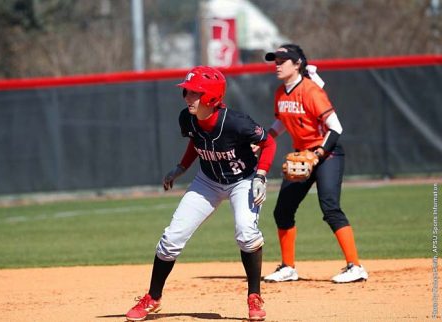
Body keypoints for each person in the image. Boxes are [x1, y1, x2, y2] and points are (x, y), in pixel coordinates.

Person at [125, 66, 277, 321]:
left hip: (243, 181)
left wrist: (261, 175)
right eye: (187, 91)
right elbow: (196, 143)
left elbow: (269, 143)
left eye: (194, 93)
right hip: (207, 181)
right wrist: (181, 167)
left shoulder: (236, 122)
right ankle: (153, 297)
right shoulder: (188, 118)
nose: (187, 97)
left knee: (246, 233)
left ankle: (254, 295)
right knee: (171, 239)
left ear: (212, 97)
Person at [262, 44, 368, 284]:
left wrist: (318, 154)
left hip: (327, 154)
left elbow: (336, 127)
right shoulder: (281, 92)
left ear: (297, 63)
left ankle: (355, 266)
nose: (277, 65)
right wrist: (264, 140)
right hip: (301, 157)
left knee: (330, 207)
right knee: (283, 211)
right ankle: (288, 268)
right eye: (275, 60)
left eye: (282, 60)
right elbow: (281, 122)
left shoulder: (310, 91)